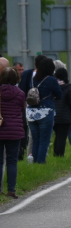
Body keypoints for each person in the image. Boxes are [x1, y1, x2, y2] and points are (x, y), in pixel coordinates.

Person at [27, 57, 62, 164]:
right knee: (44, 141)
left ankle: (34, 162)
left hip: (31, 113)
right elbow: (60, 95)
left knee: (35, 140)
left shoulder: (32, 79)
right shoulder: (51, 80)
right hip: (45, 112)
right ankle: (41, 163)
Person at [0, 68, 26, 198]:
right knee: (11, 161)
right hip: (15, 131)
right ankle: (11, 190)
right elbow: (22, 109)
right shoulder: (20, 93)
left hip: (0, 128)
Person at [52, 67, 71, 157]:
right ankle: (59, 155)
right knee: (62, 137)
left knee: (57, 136)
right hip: (65, 117)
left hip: (53, 116)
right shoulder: (69, 88)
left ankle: (55, 154)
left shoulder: (53, 87)